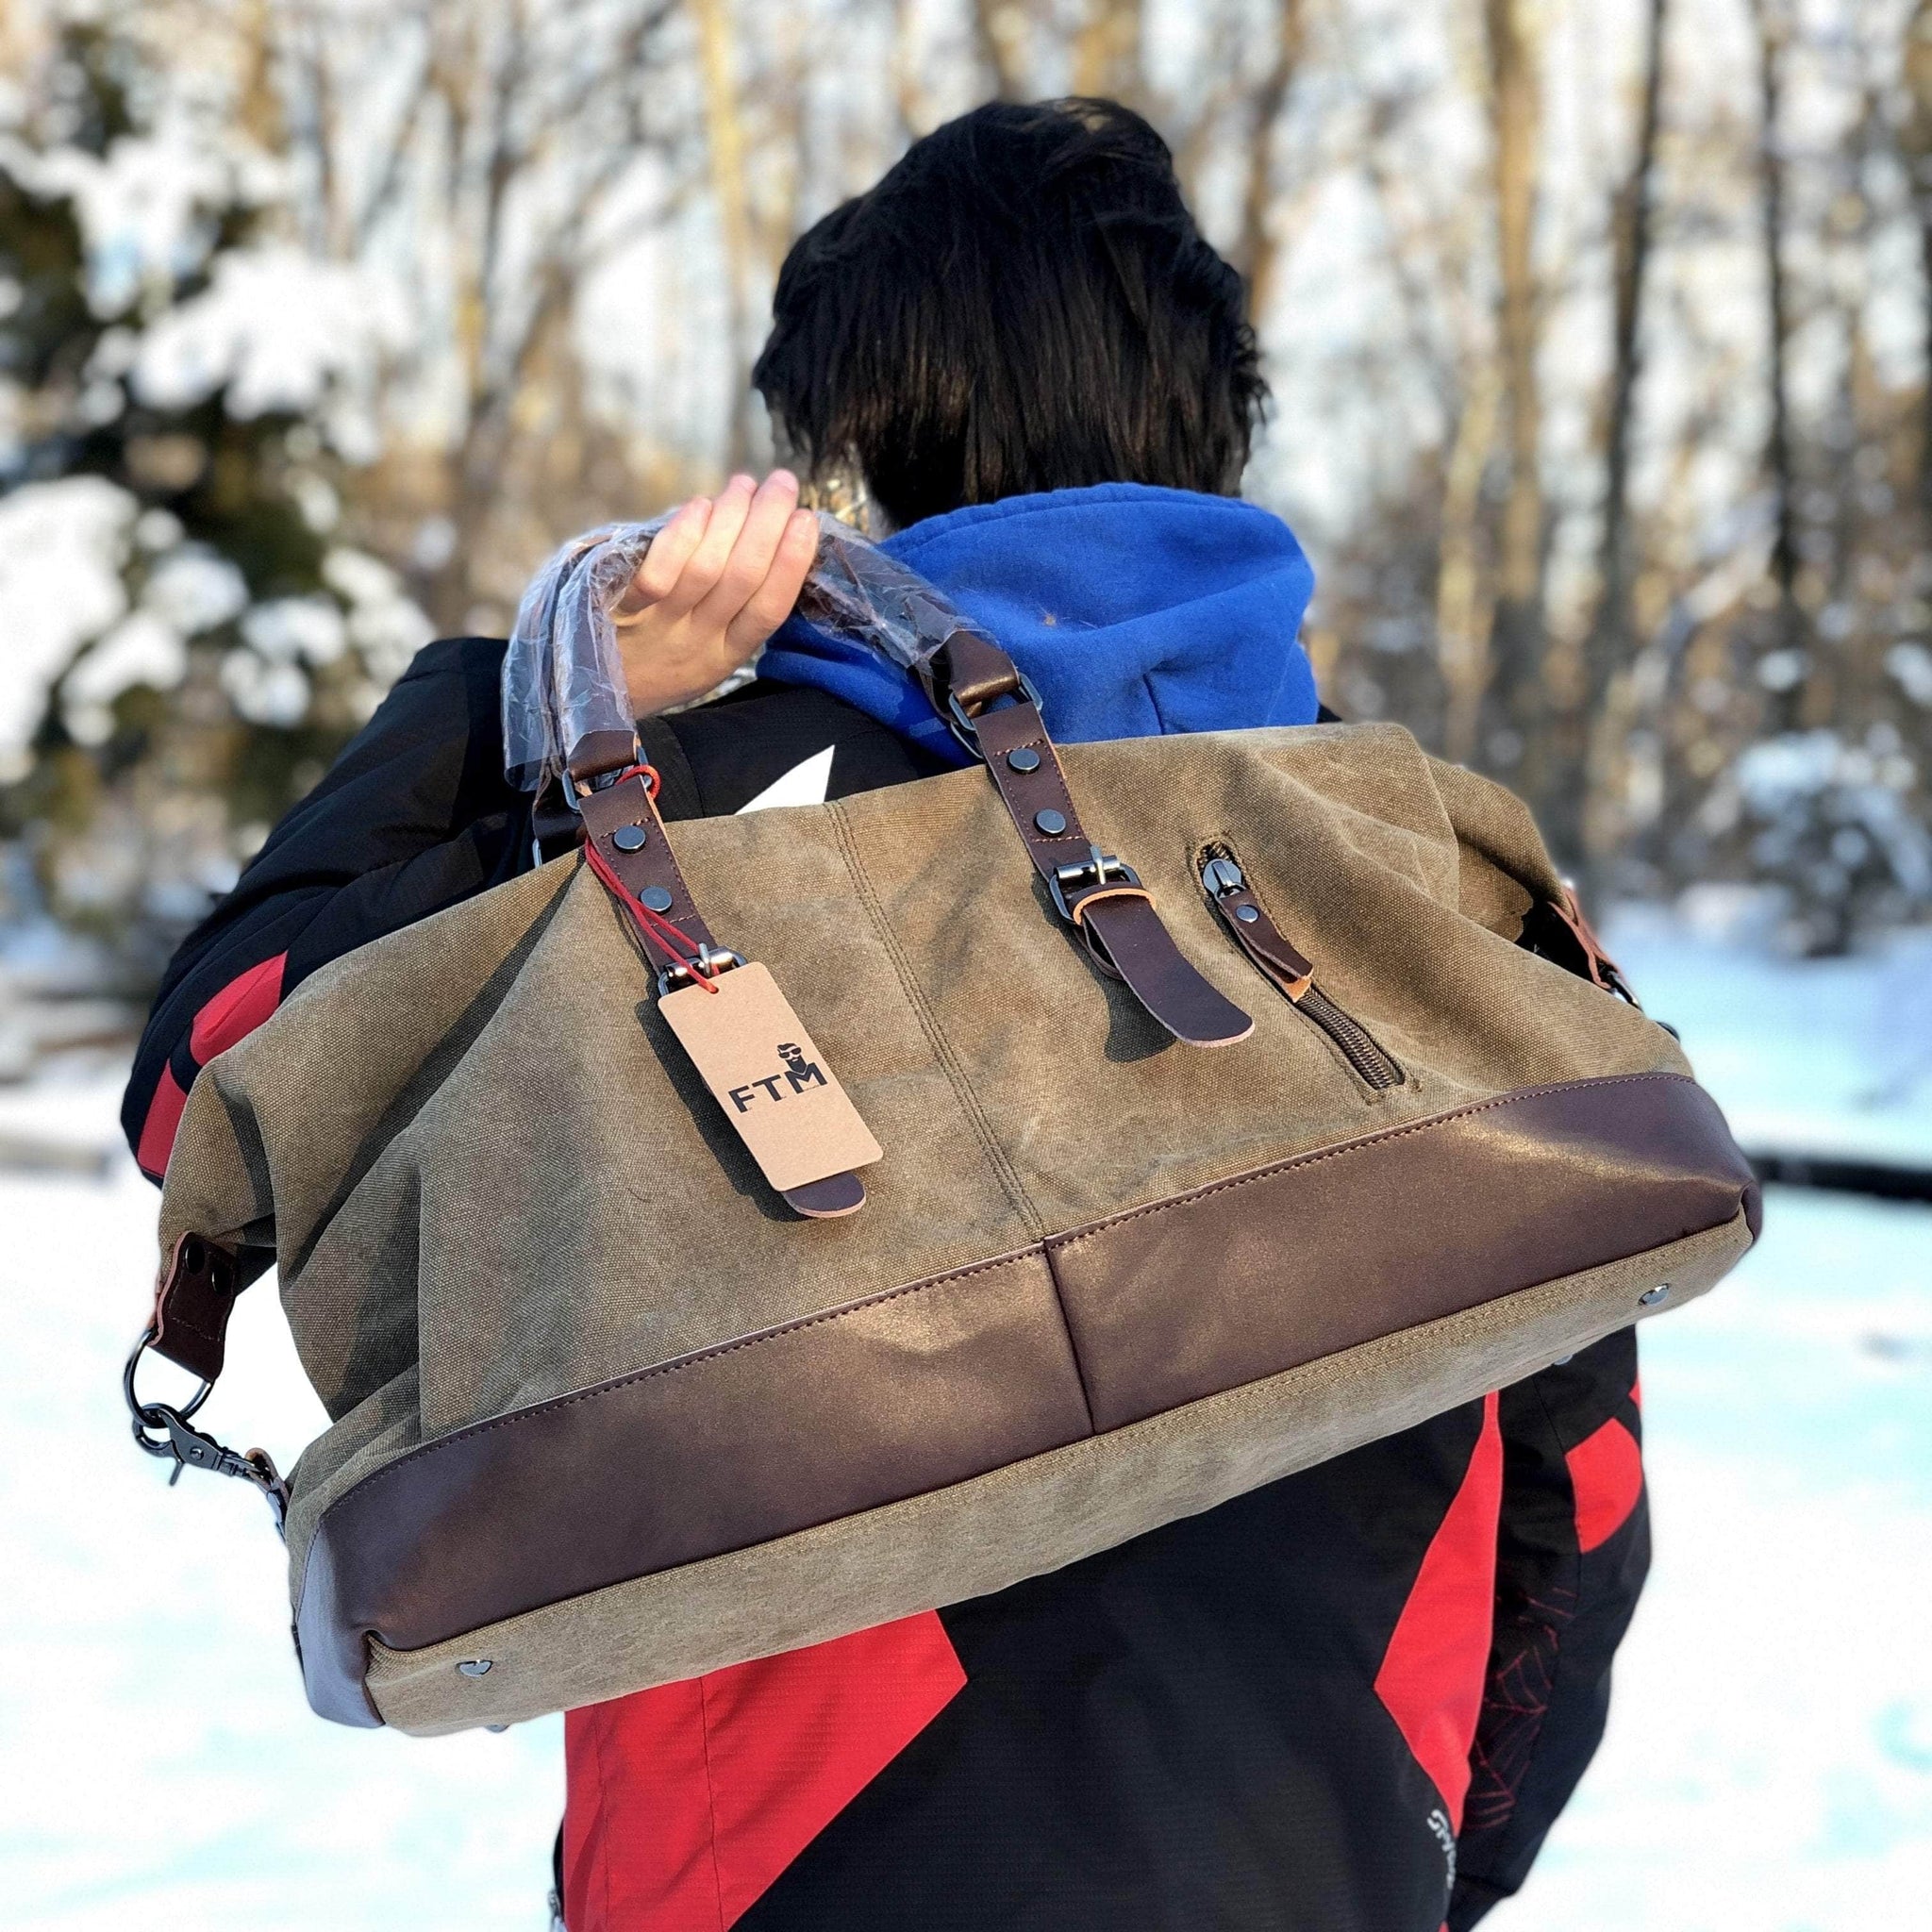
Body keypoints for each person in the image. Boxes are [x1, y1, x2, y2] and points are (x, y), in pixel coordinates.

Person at [124, 98, 1650, 1932]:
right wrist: (1413, 1845)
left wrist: (520, 694)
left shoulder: (679, 817)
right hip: (1311, 1841)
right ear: (1210, 423)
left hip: (779, 1859)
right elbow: (1584, 1463)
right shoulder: (1411, 853)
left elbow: (217, 1088)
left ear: (858, 443)